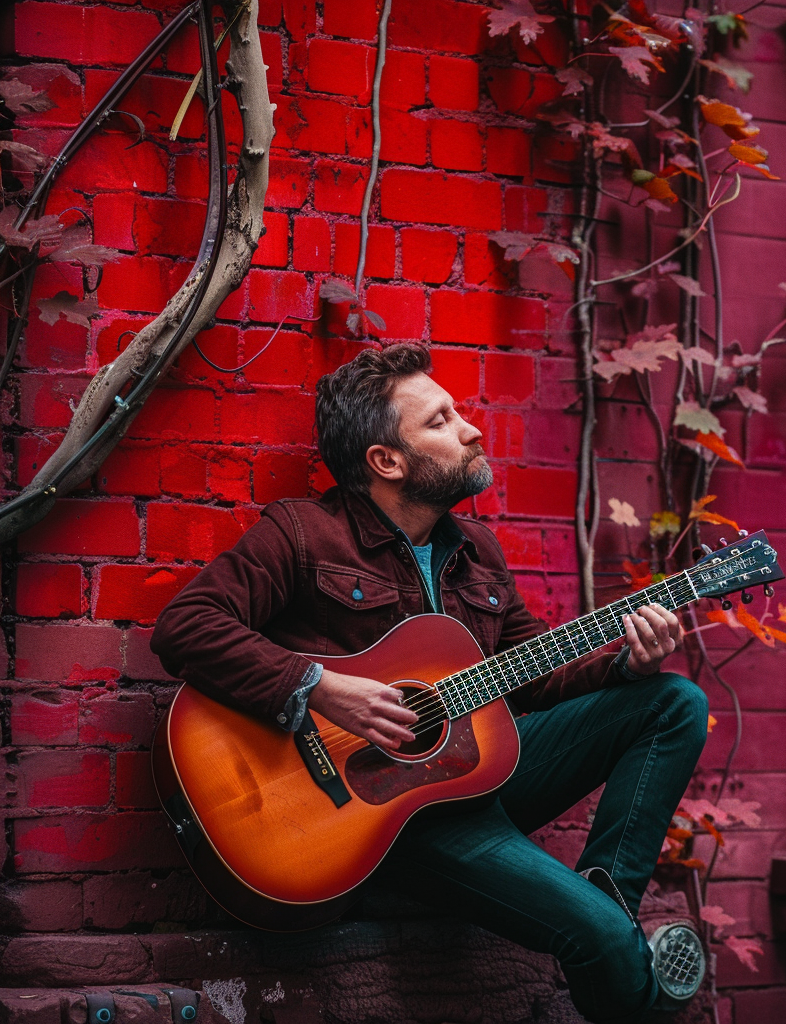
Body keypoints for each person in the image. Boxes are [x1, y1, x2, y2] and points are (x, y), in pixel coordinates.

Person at [151, 343, 710, 1023]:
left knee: (674, 701)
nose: (471, 429)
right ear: (387, 461)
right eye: (441, 421)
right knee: (608, 943)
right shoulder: (303, 535)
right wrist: (321, 687)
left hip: (471, 785)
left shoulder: (477, 551)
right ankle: (616, 942)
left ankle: (606, 896)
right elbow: (186, 625)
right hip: (383, 826)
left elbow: (527, 668)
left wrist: (626, 660)